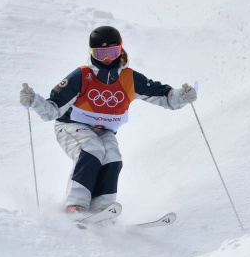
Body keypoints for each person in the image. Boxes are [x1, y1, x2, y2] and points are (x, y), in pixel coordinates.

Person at [20, 25, 197, 215]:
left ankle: (102, 208)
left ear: (120, 49)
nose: (107, 59)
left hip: (104, 130)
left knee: (113, 157)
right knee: (91, 149)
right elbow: (51, 110)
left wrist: (182, 96)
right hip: (71, 126)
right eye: (100, 53)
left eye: (112, 52)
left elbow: (165, 97)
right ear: (91, 52)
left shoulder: (130, 79)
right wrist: (34, 101)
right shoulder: (82, 76)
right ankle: (76, 204)